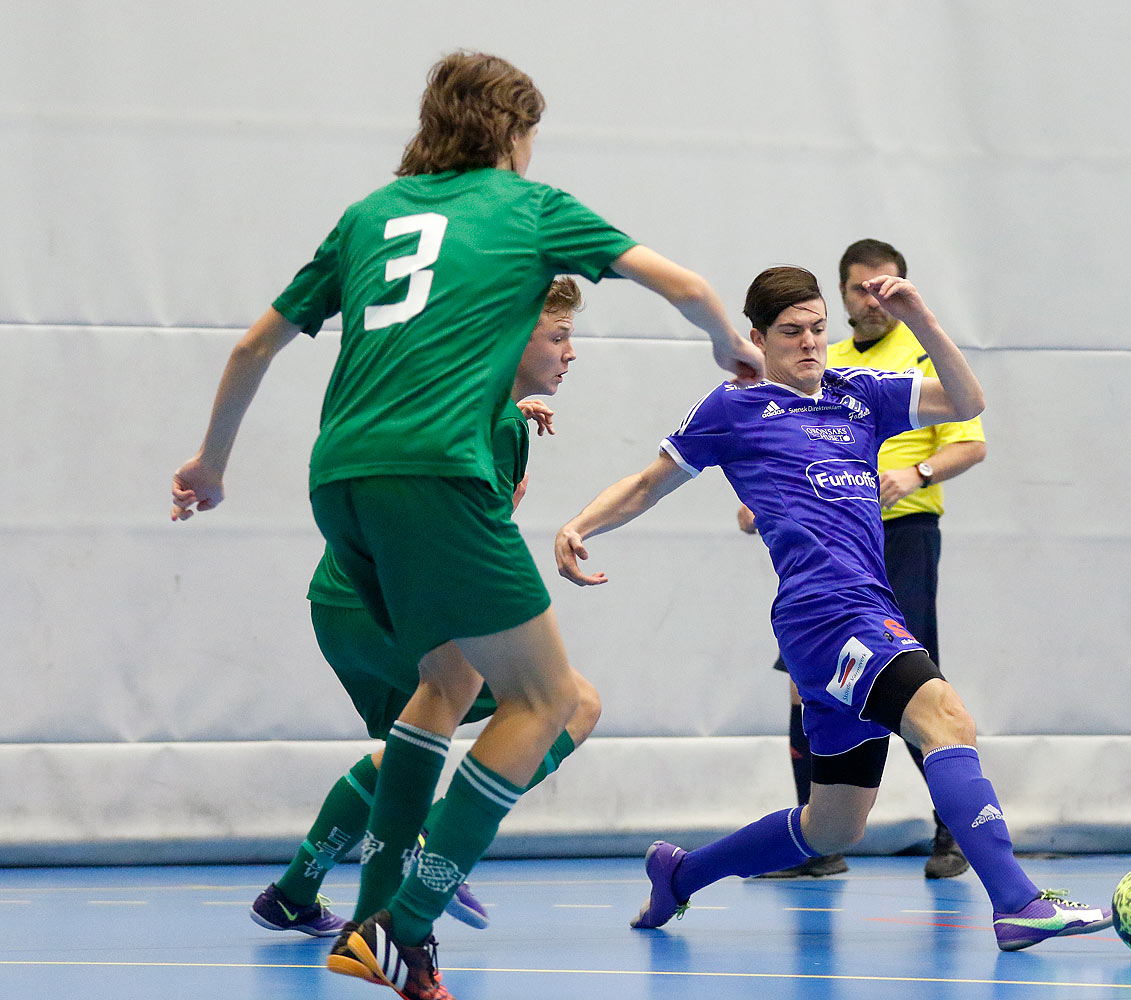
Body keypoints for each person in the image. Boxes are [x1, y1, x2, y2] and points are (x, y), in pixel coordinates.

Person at [171, 50, 762, 1000]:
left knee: (445, 680)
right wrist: (729, 342)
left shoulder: (370, 215)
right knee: (554, 703)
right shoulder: (529, 209)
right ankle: (402, 926)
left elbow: (253, 345)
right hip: (436, 473)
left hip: (343, 480)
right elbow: (684, 282)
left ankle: (372, 915)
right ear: (515, 132)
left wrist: (211, 465)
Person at [555, 266, 1110, 952]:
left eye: (819, 328)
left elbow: (967, 399)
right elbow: (647, 483)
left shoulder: (862, 396)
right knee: (947, 719)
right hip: (827, 616)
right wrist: (580, 524)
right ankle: (1018, 901)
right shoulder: (733, 408)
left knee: (833, 827)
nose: (810, 344)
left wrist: (920, 318)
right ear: (756, 338)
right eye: (791, 333)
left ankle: (682, 873)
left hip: (858, 613)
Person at [249, 277, 595, 941]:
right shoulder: (498, 424)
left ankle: (294, 891)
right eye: (559, 335)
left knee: (411, 743)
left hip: (343, 597)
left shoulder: (465, 398)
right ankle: (431, 848)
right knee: (571, 704)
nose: (571, 352)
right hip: (397, 598)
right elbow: (472, 539)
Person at [742, 239, 986, 880]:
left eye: (886, 287)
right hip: (822, 564)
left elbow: (969, 434)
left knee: (920, 689)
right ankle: (819, 841)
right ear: (845, 295)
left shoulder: (902, 362)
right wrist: (765, 500)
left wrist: (917, 472)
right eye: (860, 289)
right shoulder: (822, 363)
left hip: (897, 538)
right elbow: (785, 452)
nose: (871, 300)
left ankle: (952, 836)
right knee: (808, 687)